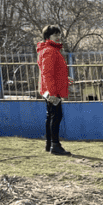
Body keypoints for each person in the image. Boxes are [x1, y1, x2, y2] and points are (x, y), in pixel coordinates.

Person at [37, 25, 72, 156]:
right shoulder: (50, 51)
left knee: (51, 116)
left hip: (49, 89)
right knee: (56, 116)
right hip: (51, 90)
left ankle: (49, 144)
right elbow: (47, 73)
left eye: (58, 34)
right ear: (48, 36)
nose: (58, 37)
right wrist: (52, 93)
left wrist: (64, 78)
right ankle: (55, 145)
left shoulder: (47, 49)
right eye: (55, 35)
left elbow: (53, 72)